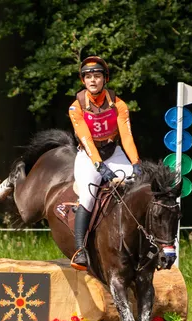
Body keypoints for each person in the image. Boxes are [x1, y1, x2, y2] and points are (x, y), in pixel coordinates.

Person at [68, 55, 141, 271]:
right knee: (88, 196)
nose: (93, 80)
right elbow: (86, 140)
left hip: (113, 152)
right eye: (88, 76)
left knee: (135, 185)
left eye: (97, 76)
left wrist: (135, 163)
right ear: (83, 81)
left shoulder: (119, 104)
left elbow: (126, 137)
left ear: (105, 79)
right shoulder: (76, 107)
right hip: (88, 156)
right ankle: (80, 250)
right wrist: (100, 167)